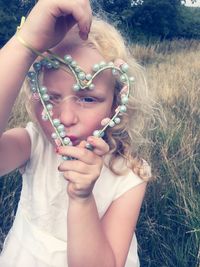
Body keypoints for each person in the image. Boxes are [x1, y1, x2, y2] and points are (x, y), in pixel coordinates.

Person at [0, 0, 152, 266]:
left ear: (116, 103)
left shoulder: (129, 176)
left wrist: (82, 200)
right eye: (52, 97)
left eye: (87, 99)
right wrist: (25, 44)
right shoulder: (32, 143)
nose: (66, 118)